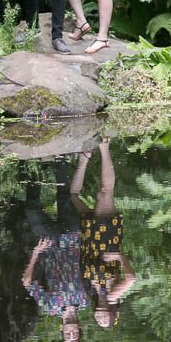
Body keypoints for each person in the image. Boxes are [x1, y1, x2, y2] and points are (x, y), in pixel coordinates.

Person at [69, 140, 136, 329]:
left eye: (99, 321)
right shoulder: (113, 295)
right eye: (105, 320)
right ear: (112, 314)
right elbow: (131, 278)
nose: (101, 319)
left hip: (90, 240)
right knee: (104, 193)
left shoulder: (93, 293)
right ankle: (104, 147)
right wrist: (119, 256)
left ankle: (84, 159)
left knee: (73, 197)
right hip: (107, 239)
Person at [21, 161, 89, 342]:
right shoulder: (86, 301)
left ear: (61, 330)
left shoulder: (50, 306)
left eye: (68, 336)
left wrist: (35, 253)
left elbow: (27, 282)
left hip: (48, 244)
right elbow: (93, 272)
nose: (71, 333)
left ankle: (32, 167)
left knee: (31, 208)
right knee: (64, 197)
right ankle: (59, 161)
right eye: (74, 335)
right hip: (71, 239)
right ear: (79, 328)